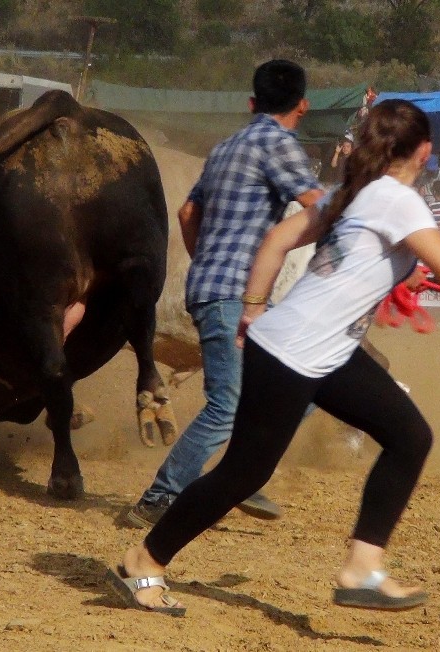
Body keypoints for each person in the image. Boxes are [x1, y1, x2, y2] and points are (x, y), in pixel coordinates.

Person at [110, 99, 440, 615]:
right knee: (243, 474)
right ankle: (144, 560)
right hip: (295, 353)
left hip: (323, 351)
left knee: (409, 436)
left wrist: (254, 309)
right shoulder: (397, 200)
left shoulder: (351, 192)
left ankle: (362, 569)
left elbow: (278, 240)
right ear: (424, 151)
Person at [122, 60, 324, 530]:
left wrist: (207, 262)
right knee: (227, 405)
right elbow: (321, 206)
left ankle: (242, 473)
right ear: (303, 106)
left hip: (214, 288)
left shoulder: (225, 147)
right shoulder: (279, 143)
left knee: (305, 385)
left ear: (252, 103)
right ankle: (159, 497)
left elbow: (187, 213)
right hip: (238, 296)